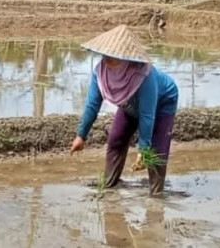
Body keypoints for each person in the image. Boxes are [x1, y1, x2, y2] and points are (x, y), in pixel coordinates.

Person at [70, 25, 178, 195]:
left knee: (156, 151)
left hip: (162, 102)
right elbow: (92, 105)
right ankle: (110, 183)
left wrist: (143, 148)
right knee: (116, 140)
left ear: (127, 58)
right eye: (105, 55)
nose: (106, 59)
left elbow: (147, 115)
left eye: (112, 57)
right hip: (130, 103)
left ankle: (156, 195)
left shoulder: (144, 75)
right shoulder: (100, 73)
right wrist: (81, 135)